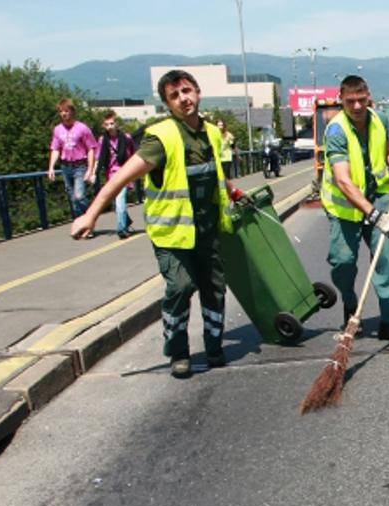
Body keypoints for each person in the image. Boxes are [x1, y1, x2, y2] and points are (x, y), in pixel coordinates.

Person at [70, 69, 244, 378]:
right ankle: (178, 352)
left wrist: (233, 191)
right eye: (174, 96)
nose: (183, 99)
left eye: (187, 91)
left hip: (207, 230)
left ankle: (214, 347)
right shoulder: (161, 138)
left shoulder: (212, 133)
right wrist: (92, 214)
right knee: (180, 287)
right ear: (168, 103)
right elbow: (120, 177)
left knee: (214, 289)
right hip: (172, 233)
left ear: (198, 92)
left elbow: (215, 171)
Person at [321, 75, 389, 343]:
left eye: (361, 100)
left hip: (380, 198)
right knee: (343, 263)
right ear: (342, 100)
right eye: (351, 101)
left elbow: (387, 153)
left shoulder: (380, 120)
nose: (357, 106)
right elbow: (343, 180)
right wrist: (370, 213)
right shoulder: (336, 130)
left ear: (368, 96)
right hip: (346, 208)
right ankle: (350, 305)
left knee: (385, 261)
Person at [47, 98, 97, 235]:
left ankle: (89, 220)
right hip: (65, 166)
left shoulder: (82, 128)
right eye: (61, 111)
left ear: (72, 112)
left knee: (79, 195)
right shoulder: (57, 130)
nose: (64, 114)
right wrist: (51, 167)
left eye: (66, 111)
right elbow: (55, 149)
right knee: (73, 198)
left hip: (80, 165)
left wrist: (90, 169)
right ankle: (80, 226)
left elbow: (91, 148)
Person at [94, 111, 137, 239]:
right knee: (118, 202)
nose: (110, 127)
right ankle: (126, 221)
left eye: (112, 123)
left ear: (117, 124)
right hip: (111, 174)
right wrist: (93, 173)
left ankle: (121, 229)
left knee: (119, 200)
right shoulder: (103, 140)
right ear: (103, 126)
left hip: (124, 172)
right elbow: (99, 157)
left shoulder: (126, 138)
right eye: (107, 124)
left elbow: (134, 154)